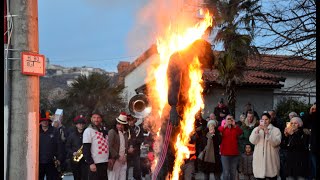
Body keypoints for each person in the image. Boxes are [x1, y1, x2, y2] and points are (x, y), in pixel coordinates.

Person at [249, 113, 282, 180]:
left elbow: (276, 143)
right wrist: (257, 131)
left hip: (271, 161)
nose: (264, 121)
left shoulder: (276, 130)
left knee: (272, 177)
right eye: (263, 119)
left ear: (269, 120)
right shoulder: (256, 129)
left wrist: (267, 132)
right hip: (259, 161)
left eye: (266, 119)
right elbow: (252, 141)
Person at [83, 111, 109, 180]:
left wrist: (109, 158)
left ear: (101, 119)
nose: (96, 119)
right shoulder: (88, 130)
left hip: (104, 162)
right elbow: (86, 149)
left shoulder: (103, 130)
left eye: (98, 117)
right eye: (94, 117)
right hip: (95, 163)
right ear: (91, 119)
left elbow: (107, 145)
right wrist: (90, 163)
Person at [39, 109, 64, 180]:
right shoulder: (36, 131)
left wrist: (59, 158)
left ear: (49, 121)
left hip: (52, 161)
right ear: (40, 121)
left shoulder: (55, 131)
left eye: (46, 120)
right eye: (43, 120)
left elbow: (59, 145)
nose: (44, 122)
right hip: (39, 162)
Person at [218, 114, 243, 180]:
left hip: (234, 154)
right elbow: (218, 131)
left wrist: (234, 125)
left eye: (231, 119)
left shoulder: (235, 128)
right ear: (225, 120)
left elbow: (240, 132)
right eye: (228, 119)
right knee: (226, 173)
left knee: (233, 173)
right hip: (225, 154)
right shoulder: (222, 128)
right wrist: (225, 125)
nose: (229, 120)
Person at [66, 115, 88, 180]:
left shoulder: (87, 134)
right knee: (76, 177)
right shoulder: (71, 135)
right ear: (76, 125)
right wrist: (72, 152)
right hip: (75, 160)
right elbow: (67, 147)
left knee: (85, 177)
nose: (81, 125)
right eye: (79, 123)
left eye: (82, 123)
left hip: (85, 160)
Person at [108, 112, 129, 180]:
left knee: (122, 177)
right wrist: (118, 157)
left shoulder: (125, 133)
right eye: (118, 124)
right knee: (113, 177)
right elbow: (109, 146)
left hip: (123, 159)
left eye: (122, 125)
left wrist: (125, 156)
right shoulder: (112, 132)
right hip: (115, 159)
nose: (120, 126)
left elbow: (125, 146)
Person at [302, 103, 317, 180]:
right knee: (312, 162)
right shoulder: (312, 117)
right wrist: (310, 112)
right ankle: (311, 176)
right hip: (313, 144)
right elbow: (304, 122)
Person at [126, 114, 144, 180]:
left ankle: (137, 178)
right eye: (129, 120)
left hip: (136, 151)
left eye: (132, 120)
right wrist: (129, 147)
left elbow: (142, 139)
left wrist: (134, 144)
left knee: (137, 167)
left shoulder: (138, 128)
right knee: (126, 168)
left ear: (135, 120)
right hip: (127, 151)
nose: (130, 122)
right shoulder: (125, 128)